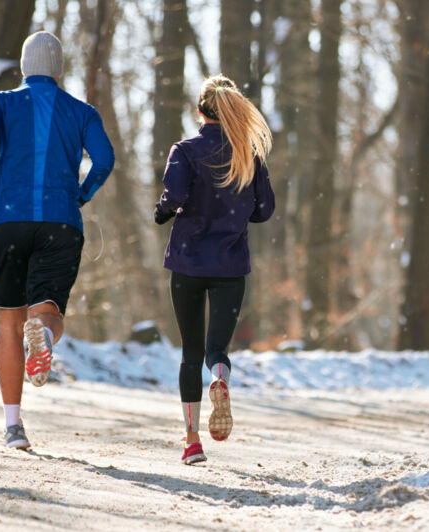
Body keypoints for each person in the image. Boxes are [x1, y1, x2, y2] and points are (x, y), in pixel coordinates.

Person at [0, 31, 114, 450]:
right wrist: (81, 193)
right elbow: (105, 160)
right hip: (60, 224)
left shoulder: (2, 102)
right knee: (47, 311)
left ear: (25, 66)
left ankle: (13, 426)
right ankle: (43, 332)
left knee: (9, 322)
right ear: (59, 69)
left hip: (8, 222)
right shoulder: (82, 112)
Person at [154, 75, 274, 465]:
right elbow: (264, 210)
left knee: (189, 352)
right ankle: (220, 377)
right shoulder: (249, 155)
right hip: (230, 266)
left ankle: (191, 443)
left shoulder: (185, 151)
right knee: (215, 349)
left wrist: (163, 211)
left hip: (188, 262)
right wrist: (235, 208)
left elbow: (176, 196)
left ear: (200, 110)